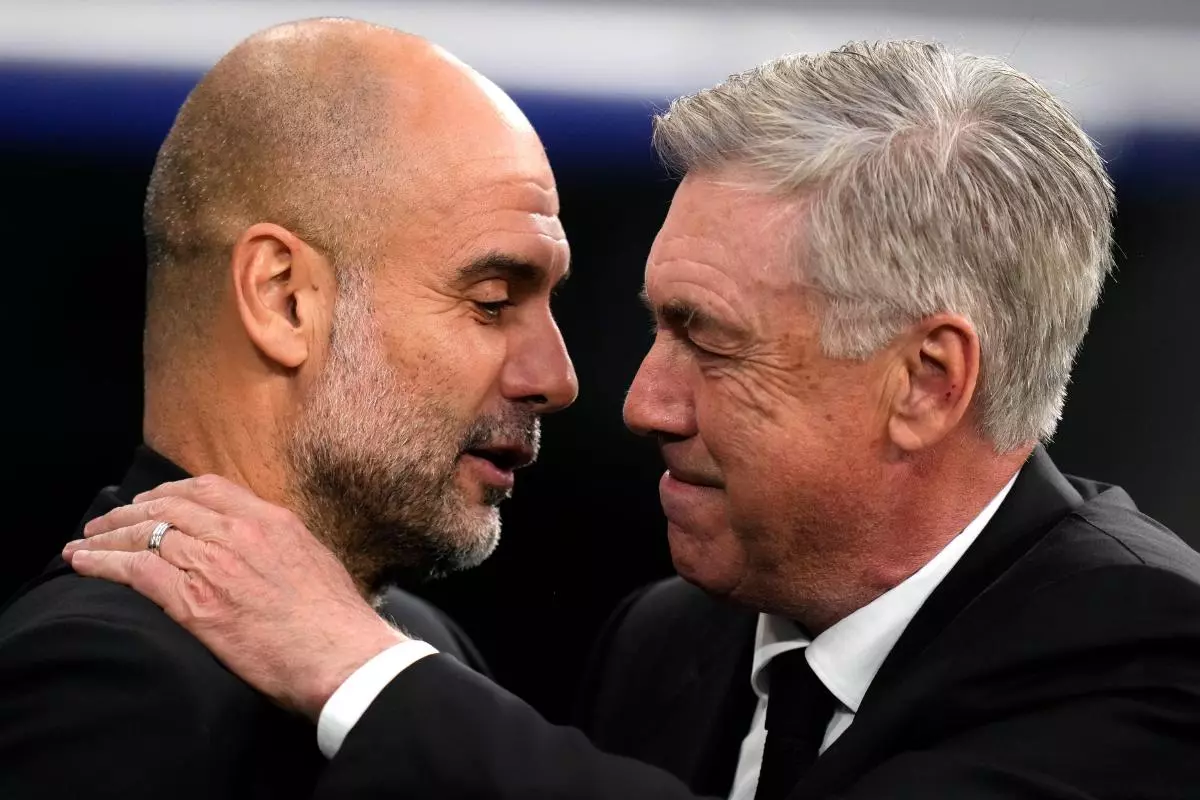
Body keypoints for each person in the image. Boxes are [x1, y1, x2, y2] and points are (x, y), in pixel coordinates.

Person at [68, 40, 1200, 799]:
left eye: (709, 338)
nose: (637, 400)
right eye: (656, 325)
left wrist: (362, 669)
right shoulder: (669, 642)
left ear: (927, 379)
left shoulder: (1151, 658)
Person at [0, 17, 576, 799]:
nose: (558, 376)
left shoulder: (415, 652)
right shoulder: (105, 678)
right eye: (493, 300)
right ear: (284, 300)